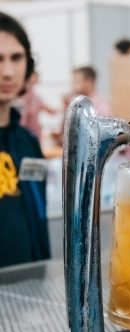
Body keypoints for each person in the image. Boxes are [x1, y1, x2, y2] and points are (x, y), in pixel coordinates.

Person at [0, 12, 50, 268]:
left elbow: (38, 216)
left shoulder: (27, 142)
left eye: (16, 58)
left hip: (30, 284)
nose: (8, 72)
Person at [16, 70, 57, 142]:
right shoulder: (18, 97)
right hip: (21, 133)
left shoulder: (36, 98)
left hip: (34, 133)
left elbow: (51, 111)